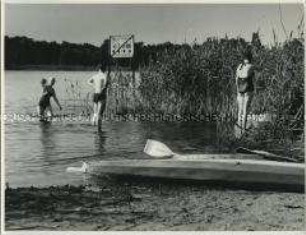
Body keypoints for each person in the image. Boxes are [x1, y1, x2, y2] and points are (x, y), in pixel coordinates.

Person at [235, 52, 255, 132]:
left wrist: (237, 89)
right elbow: (249, 76)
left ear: (244, 59)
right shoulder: (251, 66)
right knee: (245, 109)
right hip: (248, 88)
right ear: (250, 58)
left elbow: (236, 78)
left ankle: (239, 128)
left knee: (240, 109)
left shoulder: (240, 66)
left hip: (239, 89)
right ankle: (243, 129)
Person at [87, 65, 108, 130]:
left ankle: (93, 121)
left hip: (96, 94)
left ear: (99, 69)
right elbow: (105, 85)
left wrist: (94, 86)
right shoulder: (104, 76)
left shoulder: (95, 76)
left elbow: (88, 81)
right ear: (104, 69)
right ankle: (99, 128)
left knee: (95, 112)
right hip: (102, 94)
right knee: (100, 113)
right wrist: (102, 88)